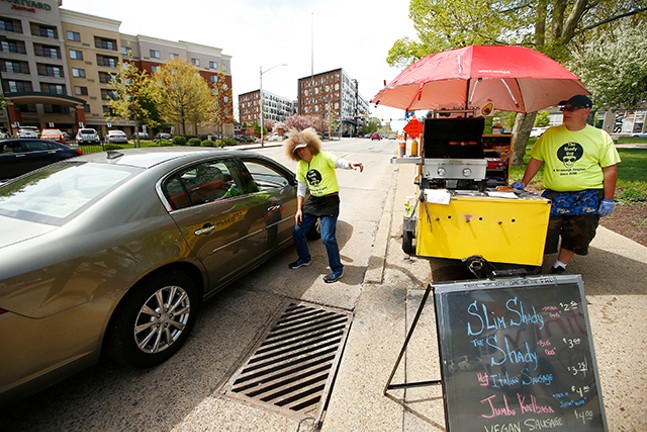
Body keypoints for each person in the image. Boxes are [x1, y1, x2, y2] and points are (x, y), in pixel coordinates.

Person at [512, 95, 621, 274]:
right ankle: (535, 262)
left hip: (588, 194)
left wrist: (608, 199)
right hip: (556, 193)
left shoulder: (600, 137)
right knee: (543, 230)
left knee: (578, 234)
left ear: (586, 111)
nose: (566, 112)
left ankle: (560, 266)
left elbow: (610, 170)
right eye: (565, 108)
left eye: (572, 108)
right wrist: (523, 183)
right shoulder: (550, 134)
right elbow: (536, 160)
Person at [284, 127, 364, 283]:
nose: (301, 152)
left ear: (310, 146)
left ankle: (337, 269)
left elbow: (339, 162)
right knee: (298, 231)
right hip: (314, 200)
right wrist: (298, 209)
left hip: (329, 200)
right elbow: (301, 188)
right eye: (297, 151)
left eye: (303, 148)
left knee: (327, 238)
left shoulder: (323, 157)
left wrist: (350, 164)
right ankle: (304, 258)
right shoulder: (300, 166)